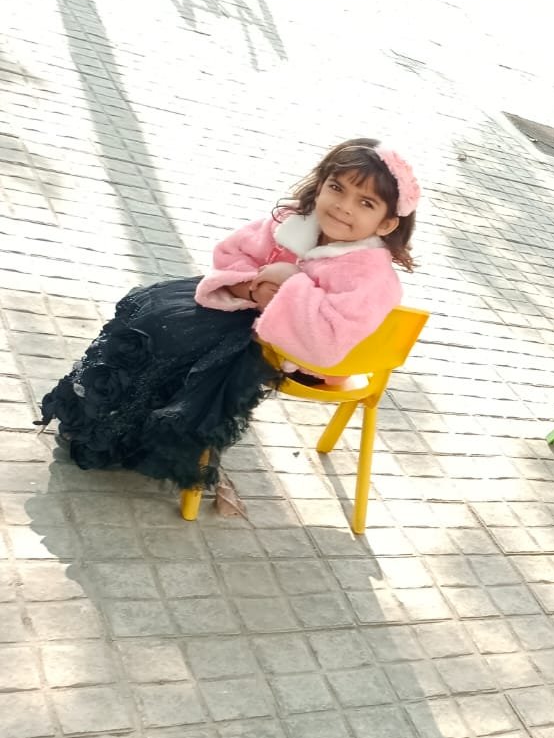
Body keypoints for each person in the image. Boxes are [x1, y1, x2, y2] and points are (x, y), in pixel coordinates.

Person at [38, 138, 419, 492]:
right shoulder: (293, 223)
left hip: (300, 356)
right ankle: (101, 415)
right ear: (320, 185)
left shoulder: (370, 275)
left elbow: (328, 341)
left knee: (189, 345)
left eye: (365, 203)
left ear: (387, 223)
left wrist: (289, 284)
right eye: (337, 188)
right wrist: (251, 288)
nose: (344, 206)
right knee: (153, 309)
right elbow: (232, 254)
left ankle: (144, 437)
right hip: (247, 310)